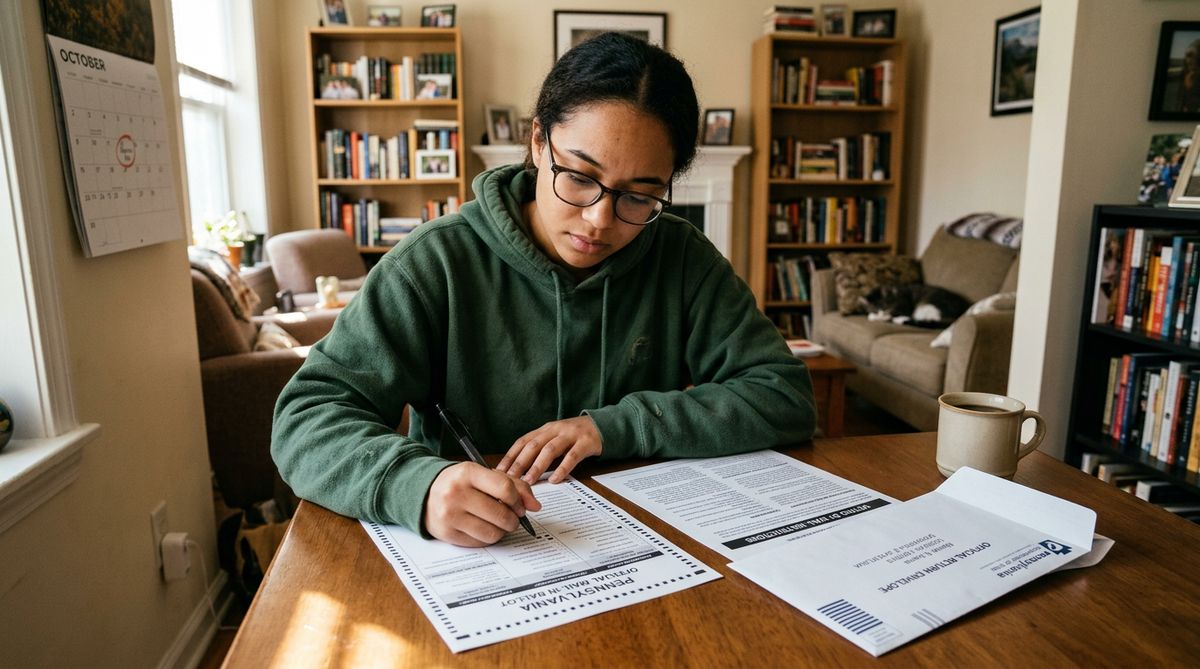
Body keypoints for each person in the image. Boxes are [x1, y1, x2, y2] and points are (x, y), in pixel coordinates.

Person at [272, 32, 816, 548]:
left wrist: (614, 426)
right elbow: (306, 418)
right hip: (486, 556)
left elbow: (783, 394)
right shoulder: (434, 262)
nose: (600, 219)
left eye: (639, 196)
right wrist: (417, 486)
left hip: (651, 542)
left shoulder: (681, 257)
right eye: (579, 177)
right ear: (538, 142)